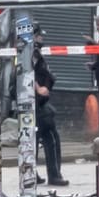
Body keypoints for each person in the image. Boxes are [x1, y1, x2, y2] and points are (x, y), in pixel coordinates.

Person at [34, 43, 66, 185]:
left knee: (32, 141)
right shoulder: (29, 53)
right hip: (35, 103)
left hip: (39, 103)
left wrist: (46, 86)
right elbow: (22, 71)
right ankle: (54, 176)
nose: (42, 38)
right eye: (39, 35)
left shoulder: (36, 53)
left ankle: (31, 174)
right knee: (50, 138)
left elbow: (45, 73)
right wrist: (39, 88)